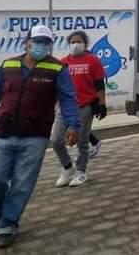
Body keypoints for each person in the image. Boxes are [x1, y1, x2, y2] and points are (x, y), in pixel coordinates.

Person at [0, 25, 80, 248]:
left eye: (46, 43)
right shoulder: (8, 65)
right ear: (27, 43)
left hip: (35, 135)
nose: (42, 46)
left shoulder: (57, 68)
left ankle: (7, 223)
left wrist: (74, 124)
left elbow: (68, 98)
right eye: (38, 41)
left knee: (23, 184)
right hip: (4, 133)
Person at [53, 31, 107, 187]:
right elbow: (57, 87)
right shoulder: (63, 62)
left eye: (78, 41)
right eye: (72, 42)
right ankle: (67, 168)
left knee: (82, 142)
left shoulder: (93, 61)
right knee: (56, 140)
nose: (75, 45)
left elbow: (99, 85)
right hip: (64, 107)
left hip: (85, 106)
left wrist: (102, 104)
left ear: (85, 44)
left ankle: (81, 172)